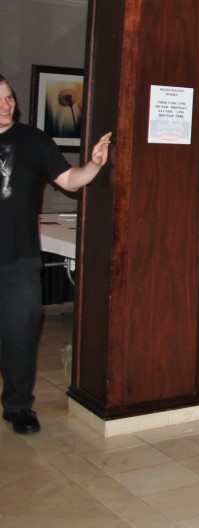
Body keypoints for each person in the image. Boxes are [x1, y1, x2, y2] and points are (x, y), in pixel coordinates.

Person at [0, 73, 111, 434]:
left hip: (19, 260)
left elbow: (69, 181)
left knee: (20, 338)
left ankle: (18, 407)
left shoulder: (34, 141)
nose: (6, 106)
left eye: (9, 97)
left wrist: (94, 165)